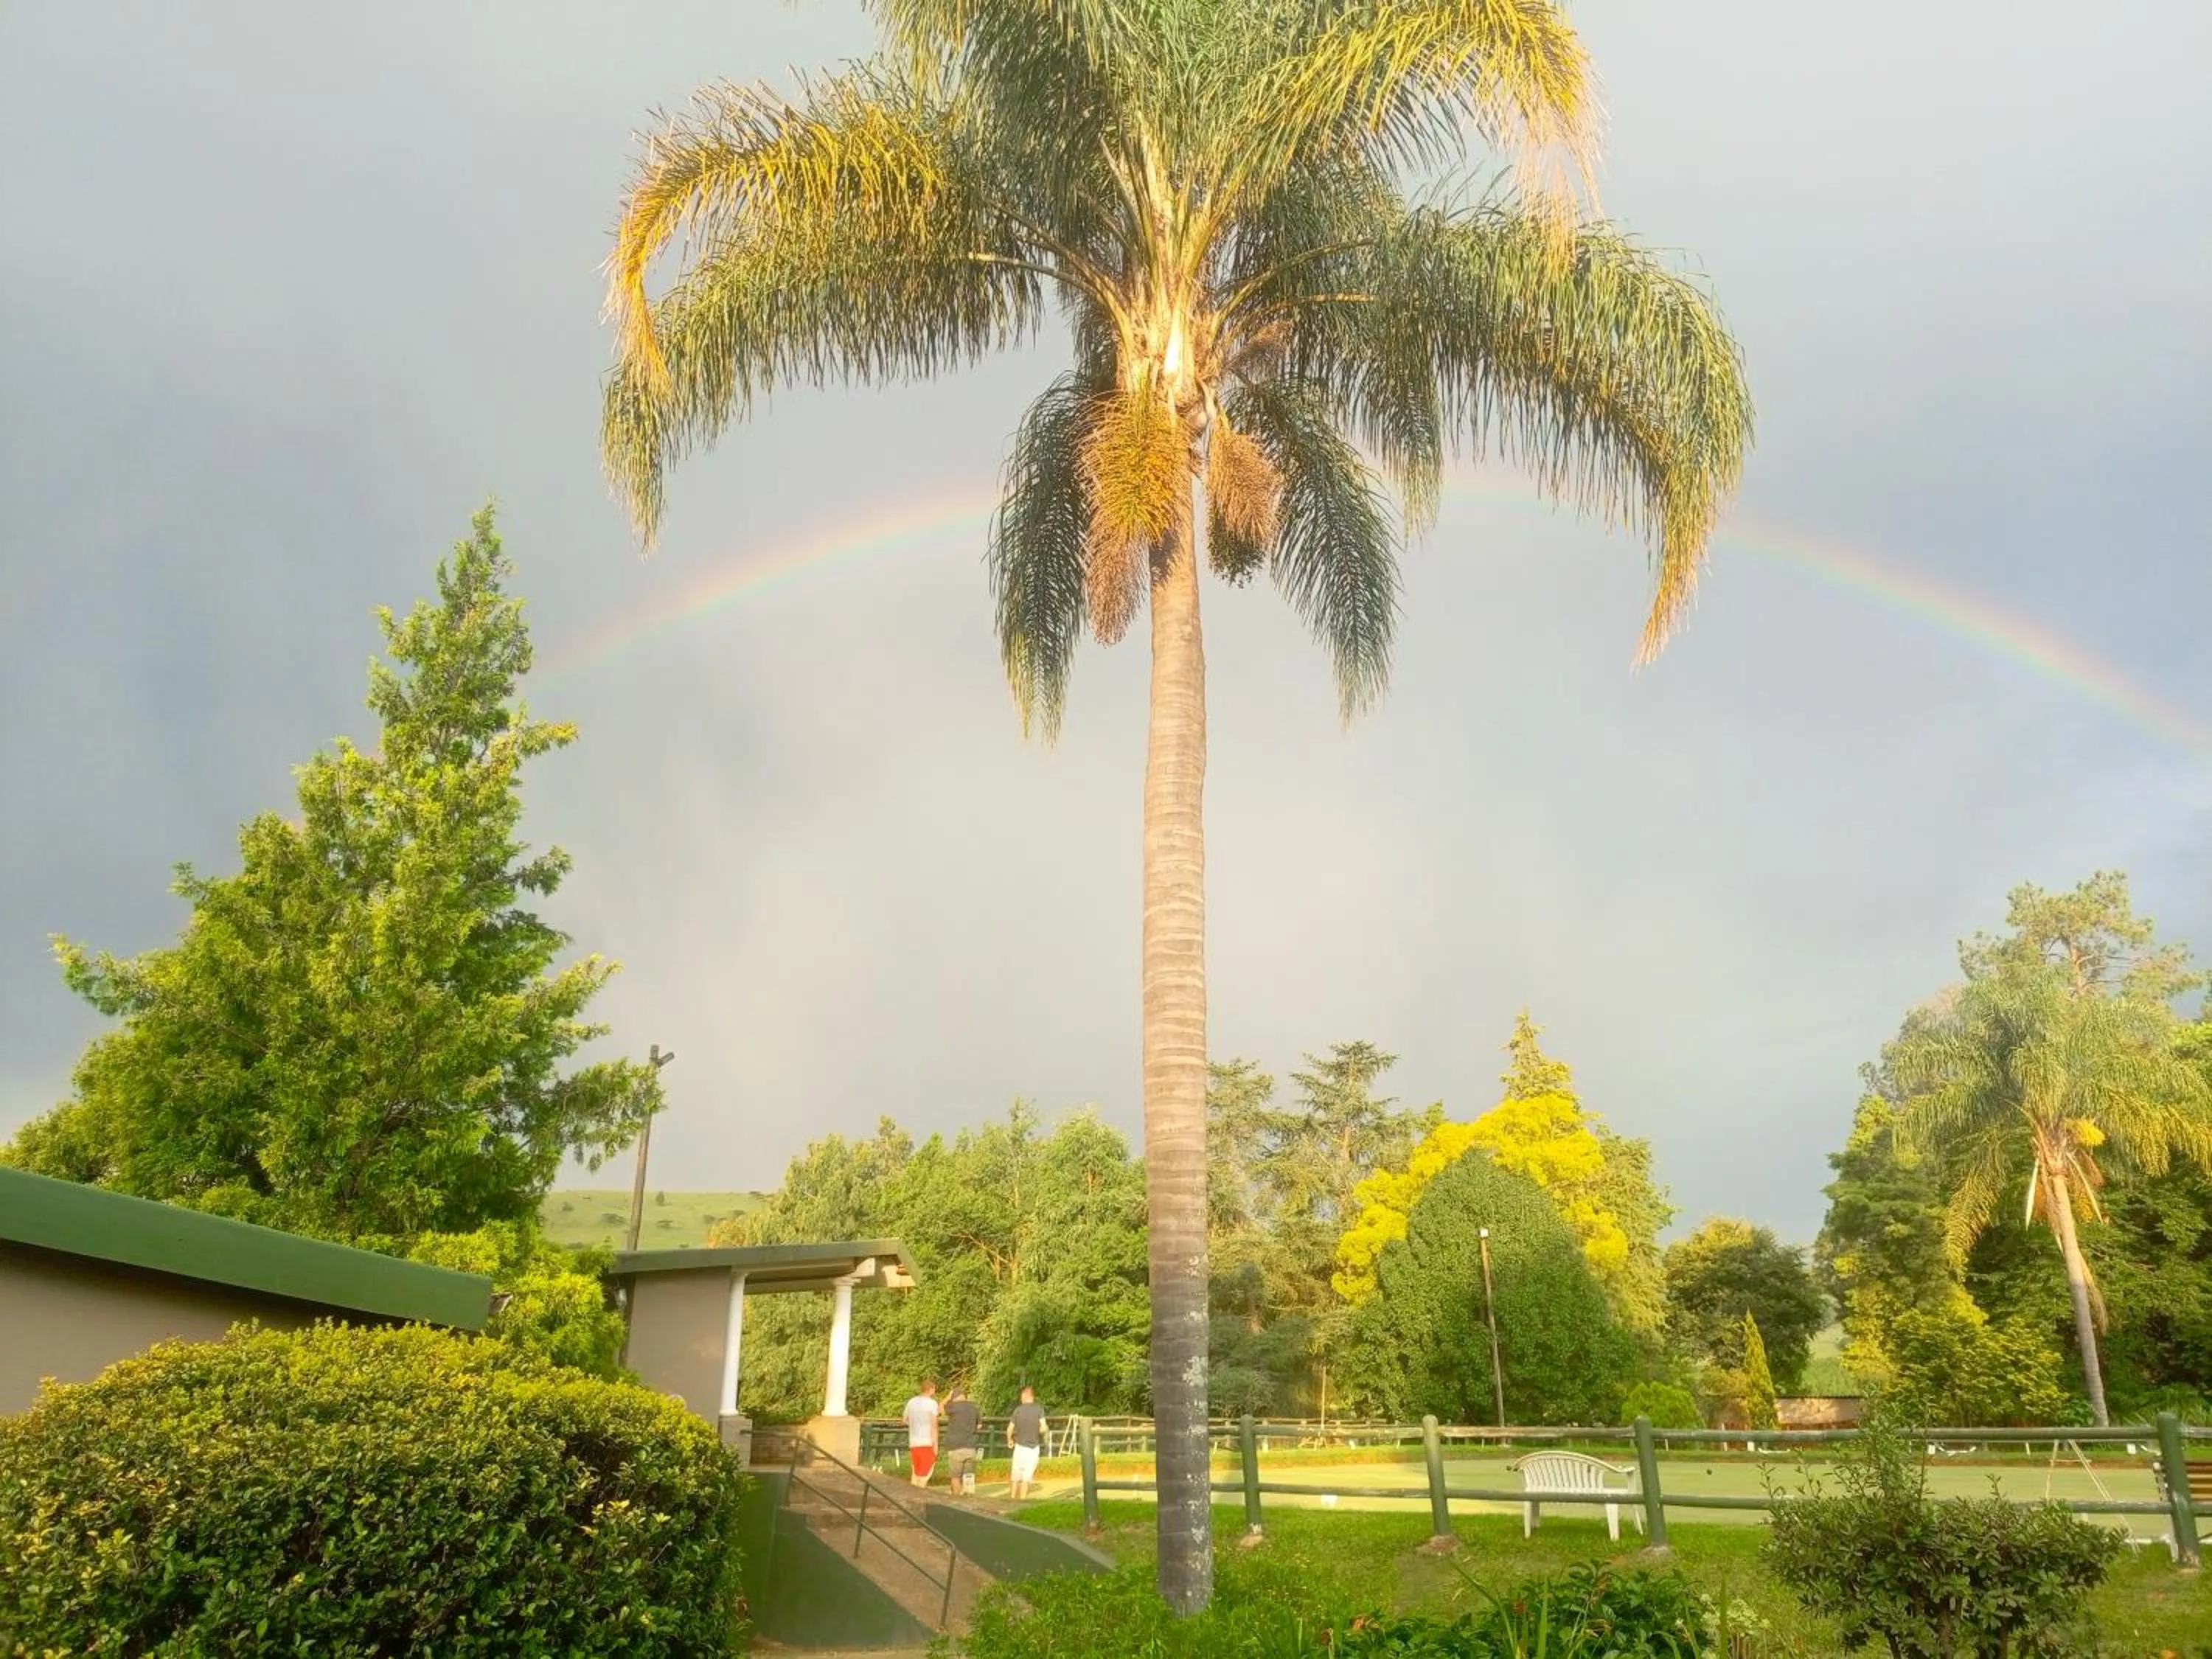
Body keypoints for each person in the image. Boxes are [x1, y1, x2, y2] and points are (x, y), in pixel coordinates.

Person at [1005, 1384, 1048, 1502]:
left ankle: (1012, 1499)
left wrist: (1010, 1440)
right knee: (1026, 1477)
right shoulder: (1039, 1409)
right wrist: (1037, 1430)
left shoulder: (1018, 1410)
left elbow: (1009, 1429)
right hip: (1033, 1448)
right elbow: (1044, 1428)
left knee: (1015, 1476)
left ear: (1025, 1395)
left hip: (1019, 1446)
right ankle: (1022, 1500)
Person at [940, 1383, 983, 1497]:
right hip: (971, 1447)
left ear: (955, 1397)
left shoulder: (953, 1406)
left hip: (956, 1447)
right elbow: (979, 1426)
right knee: (969, 1476)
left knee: (955, 1477)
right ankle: (969, 1498)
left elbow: (941, 1408)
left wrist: (948, 1398)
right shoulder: (975, 1407)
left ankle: (957, 1500)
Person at [902, 1377, 940, 1489]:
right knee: (925, 1475)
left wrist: (914, 1425)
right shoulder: (932, 1403)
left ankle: (912, 1500)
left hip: (914, 1442)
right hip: (927, 1442)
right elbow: (934, 1424)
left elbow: (904, 1420)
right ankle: (920, 1501)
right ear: (931, 1389)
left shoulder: (911, 1402)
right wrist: (936, 1444)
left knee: (915, 1473)